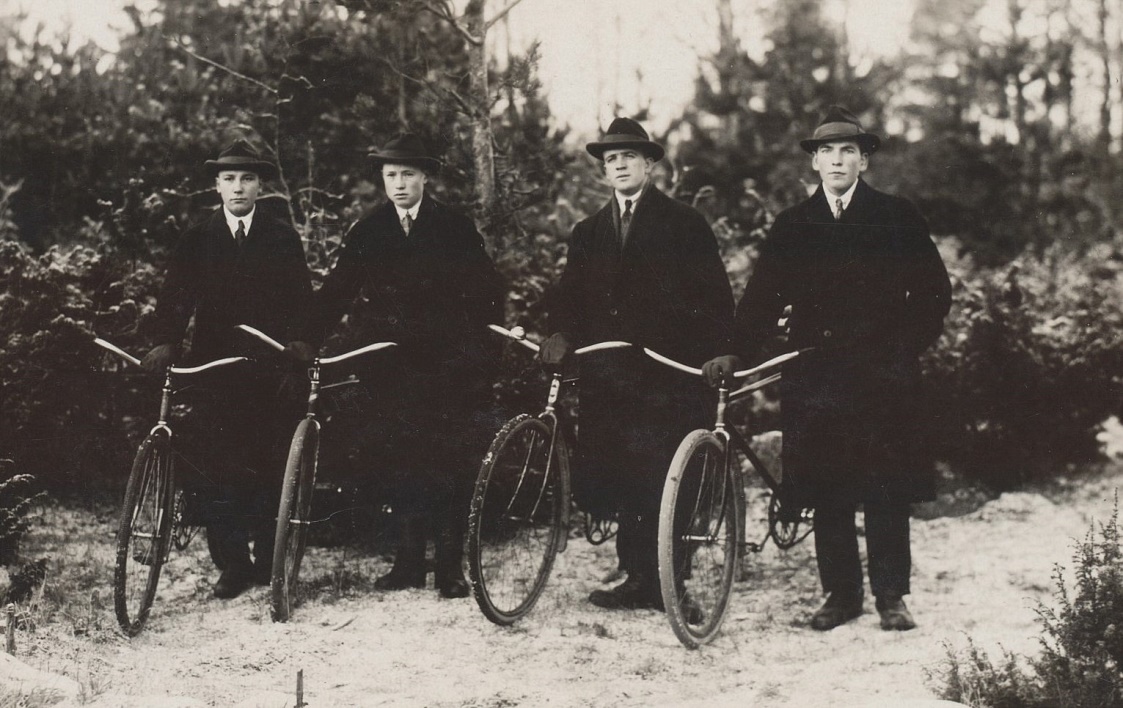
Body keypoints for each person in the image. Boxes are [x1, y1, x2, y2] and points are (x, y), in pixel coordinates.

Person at [703, 105, 952, 631]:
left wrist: (903, 350)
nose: (837, 161)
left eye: (847, 151)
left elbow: (934, 293)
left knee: (887, 486)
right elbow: (762, 298)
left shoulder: (896, 216)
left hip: (885, 376)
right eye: (826, 152)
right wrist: (736, 351)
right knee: (828, 487)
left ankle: (891, 597)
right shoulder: (794, 225)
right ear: (814, 163)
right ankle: (840, 596)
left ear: (863, 161)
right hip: (816, 377)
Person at [289, 133, 504, 599]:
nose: (400, 183)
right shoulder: (369, 231)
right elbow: (338, 290)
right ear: (382, 180)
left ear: (425, 176)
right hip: (390, 368)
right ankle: (407, 561)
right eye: (391, 175)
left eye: (408, 174)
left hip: (446, 369)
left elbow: (489, 296)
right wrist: (308, 337)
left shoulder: (454, 228)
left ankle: (449, 567)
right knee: (399, 460)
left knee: (447, 464)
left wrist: (479, 357)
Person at [540, 117, 734, 613]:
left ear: (650, 164)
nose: (619, 165)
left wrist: (715, 352)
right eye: (610, 160)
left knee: (668, 476)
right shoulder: (588, 232)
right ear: (604, 172)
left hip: (668, 374)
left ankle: (674, 582)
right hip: (611, 377)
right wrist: (560, 333)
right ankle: (636, 575)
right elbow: (570, 296)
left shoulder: (684, 224)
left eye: (628, 157)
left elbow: (714, 296)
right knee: (624, 475)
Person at [142, 139, 313, 599]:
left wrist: (299, 342)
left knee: (266, 461)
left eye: (248, 178)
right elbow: (175, 296)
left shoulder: (280, 237)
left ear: (260, 186)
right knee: (218, 465)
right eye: (230, 179)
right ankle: (232, 563)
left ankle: (265, 557)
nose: (238, 187)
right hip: (214, 366)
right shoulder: (198, 237)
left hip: (268, 366)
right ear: (217, 186)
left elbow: (301, 296)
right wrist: (166, 341)